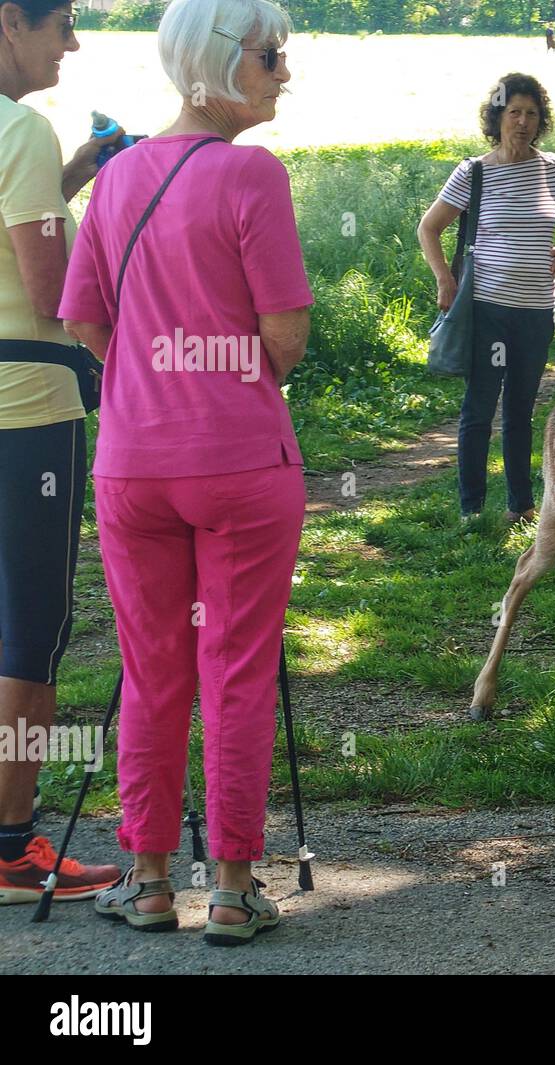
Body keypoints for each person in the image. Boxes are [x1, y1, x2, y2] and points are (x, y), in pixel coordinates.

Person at [58, 0, 311, 945]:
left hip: (132, 464)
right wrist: (229, 375)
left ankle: (149, 877)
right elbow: (285, 334)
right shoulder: (253, 176)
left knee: (152, 670)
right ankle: (238, 890)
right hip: (241, 460)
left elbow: (83, 319)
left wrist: (151, 374)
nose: (283, 71)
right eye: (269, 56)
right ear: (218, 63)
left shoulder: (117, 180)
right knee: (235, 670)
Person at [0, 0, 124, 903]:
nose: (72, 43)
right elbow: (50, 291)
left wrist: (78, 173)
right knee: (31, 628)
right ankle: (11, 846)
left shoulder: (34, 145)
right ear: (11, 20)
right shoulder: (21, 129)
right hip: (29, 409)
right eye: (62, 23)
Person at [418, 72, 555, 525]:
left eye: (531, 114)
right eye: (514, 113)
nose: (523, 122)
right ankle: (471, 510)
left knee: (521, 409)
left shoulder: (553, 168)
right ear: (497, 117)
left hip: (537, 311)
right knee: (480, 407)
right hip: (486, 308)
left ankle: (520, 506)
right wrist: (445, 280)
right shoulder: (475, 172)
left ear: (540, 120)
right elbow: (429, 227)